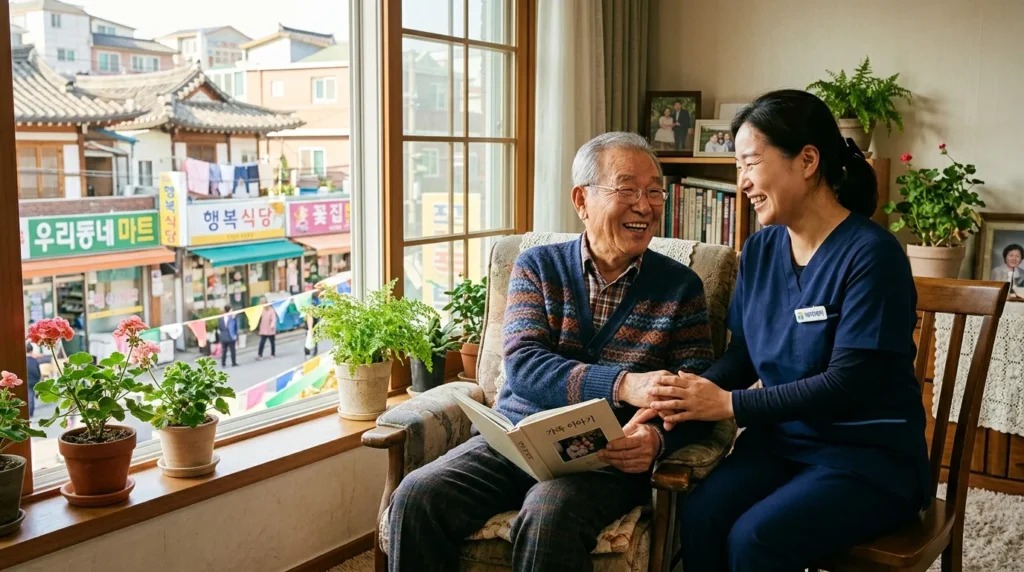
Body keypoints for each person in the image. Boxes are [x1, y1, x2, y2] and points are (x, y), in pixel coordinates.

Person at [387, 132, 717, 571]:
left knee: (549, 515)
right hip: (514, 442)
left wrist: (657, 440)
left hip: (605, 461)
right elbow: (524, 367)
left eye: (654, 190)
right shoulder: (537, 266)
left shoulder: (681, 287)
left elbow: (694, 396)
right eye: (627, 189)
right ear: (582, 200)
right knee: (417, 495)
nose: (645, 204)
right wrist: (623, 384)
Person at [639, 89, 930, 572]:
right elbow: (745, 356)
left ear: (808, 160)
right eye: (737, 167)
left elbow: (848, 384)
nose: (743, 182)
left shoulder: (873, 256)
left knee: (756, 541)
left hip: (869, 459)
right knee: (703, 513)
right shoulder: (760, 250)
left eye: (750, 163)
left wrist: (729, 404)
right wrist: (686, 394)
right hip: (784, 443)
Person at [25, 343, 41, 418]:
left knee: (29, 395)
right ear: (32, 350)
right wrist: (37, 380)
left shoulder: (24, 361)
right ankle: (30, 412)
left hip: (26, 380)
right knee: (31, 396)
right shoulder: (35, 361)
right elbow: (38, 373)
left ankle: (28, 412)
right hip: (33, 380)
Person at [305, 290, 321, 357]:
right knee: (313, 340)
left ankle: (308, 353)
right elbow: (310, 318)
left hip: (311, 326)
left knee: (309, 339)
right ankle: (312, 353)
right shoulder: (315, 304)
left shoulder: (309, 304)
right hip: (313, 326)